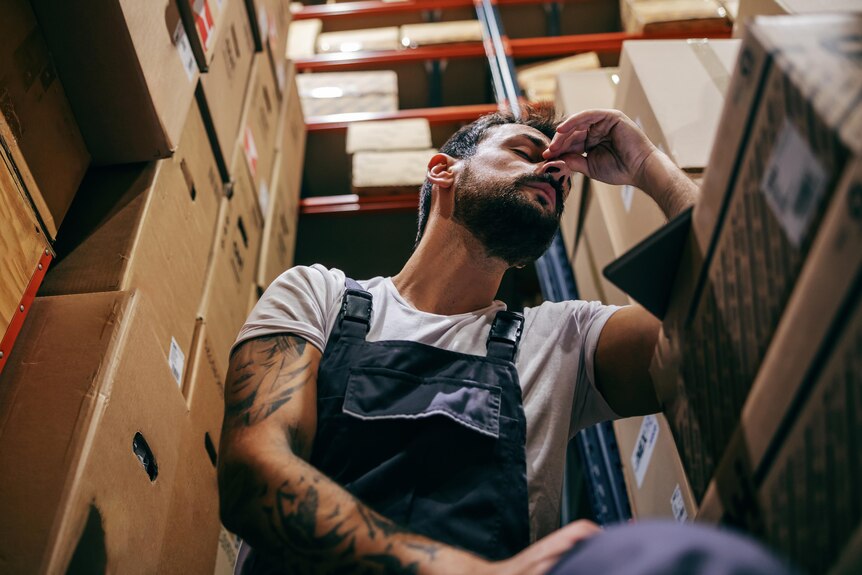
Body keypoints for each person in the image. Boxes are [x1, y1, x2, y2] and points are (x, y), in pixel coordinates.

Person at [218, 105, 703, 574]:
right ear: (443, 171)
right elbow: (251, 475)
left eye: (564, 175)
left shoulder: (562, 341)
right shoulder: (319, 297)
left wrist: (645, 163)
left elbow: (715, 319)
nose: (555, 170)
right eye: (526, 152)